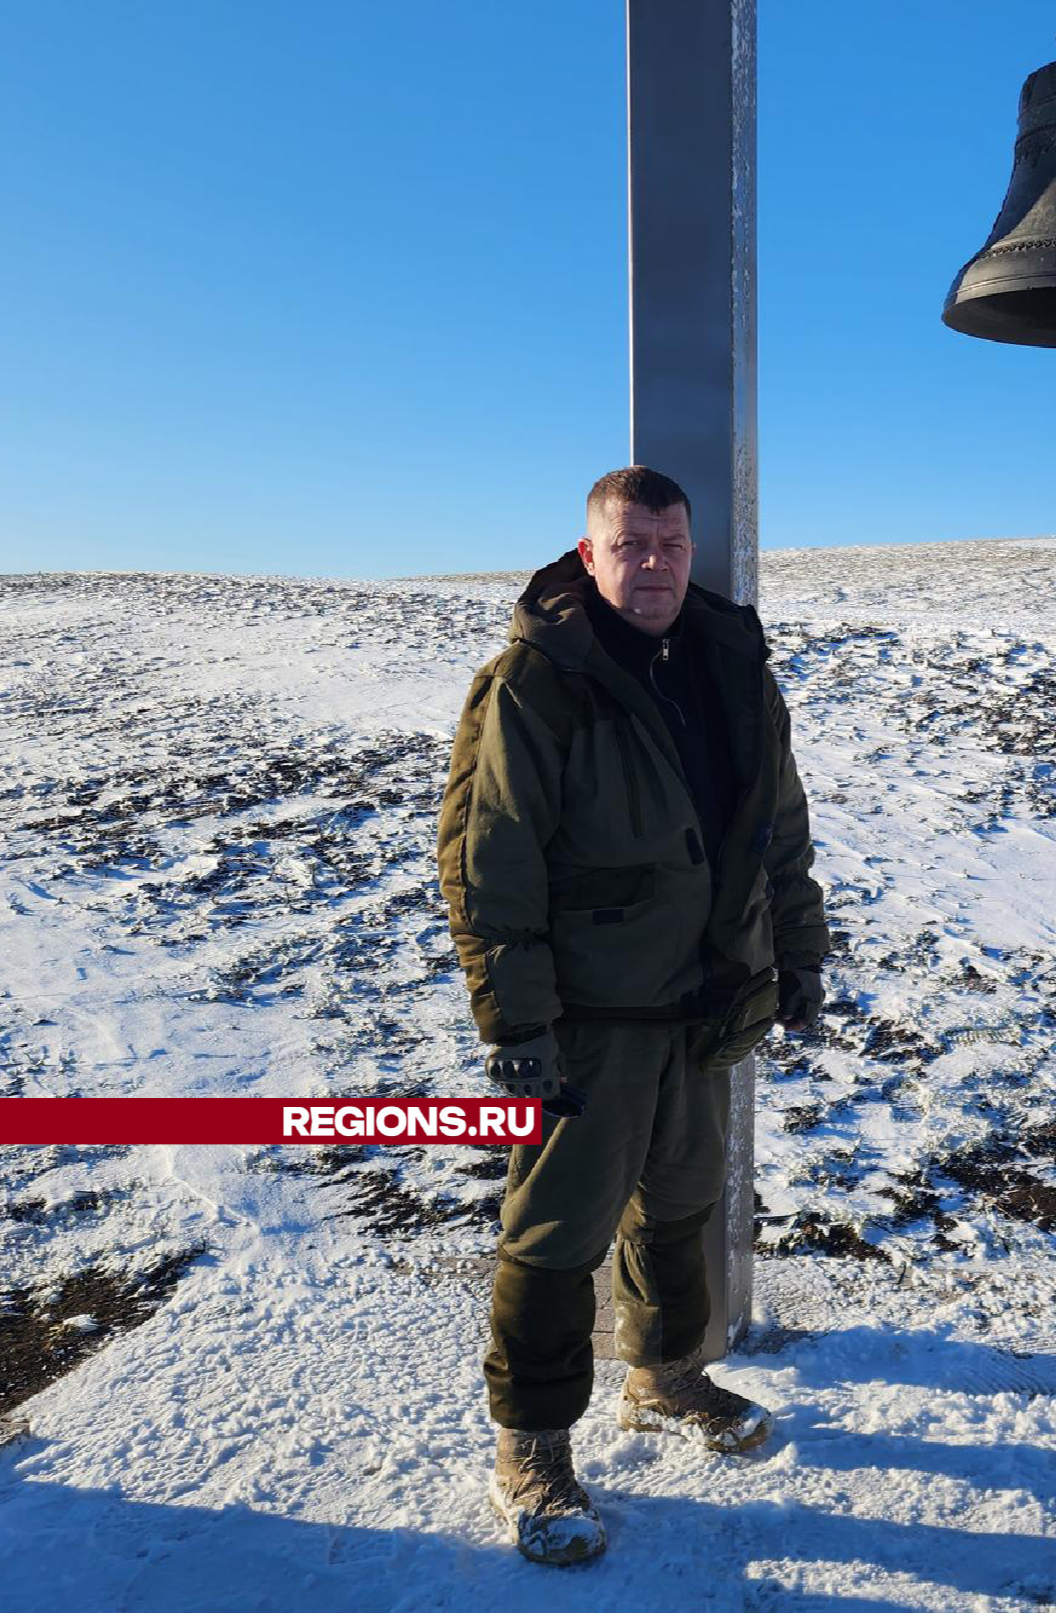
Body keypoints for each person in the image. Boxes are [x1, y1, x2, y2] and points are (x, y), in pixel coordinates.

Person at [437, 465, 829, 1566]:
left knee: (681, 1201)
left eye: (670, 543)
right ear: (590, 551)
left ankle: (662, 1374)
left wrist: (796, 949)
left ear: (690, 551)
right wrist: (515, 1024)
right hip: (589, 1014)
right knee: (558, 1229)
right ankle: (532, 1442)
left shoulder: (729, 663)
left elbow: (777, 824)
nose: (653, 563)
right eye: (632, 544)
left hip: (703, 998)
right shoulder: (536, 680)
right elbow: (486, 859)